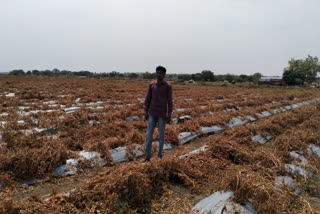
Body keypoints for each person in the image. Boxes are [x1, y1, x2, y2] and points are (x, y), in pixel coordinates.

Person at [143, 66, 173, 162]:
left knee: (161, 135)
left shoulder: (168, 86)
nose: (158, 74)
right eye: (157, 73)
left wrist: (169, 114)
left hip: (162, 114)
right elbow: (148, 98)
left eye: (160, 73)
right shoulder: (152, 85)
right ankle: (147, 156)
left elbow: (169, 101)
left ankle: (160, 156)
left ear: (164, 75)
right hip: (152, 113)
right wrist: (145, 111)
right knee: (148, 135)